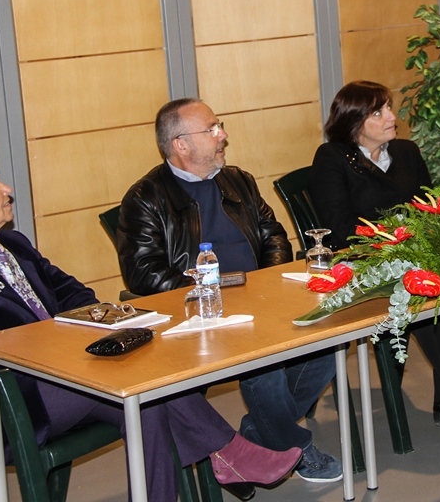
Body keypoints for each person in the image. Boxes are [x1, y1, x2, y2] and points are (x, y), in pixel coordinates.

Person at [0, 147, 302, 502]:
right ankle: (232, 454)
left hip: (66, 372)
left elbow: (75, 294)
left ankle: (227, 458)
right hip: (11, 394)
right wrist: (51, 343)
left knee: (147, 398)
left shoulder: (15, 245)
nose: (6, 189)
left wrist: (104, 322)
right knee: (140, 381)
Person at [116, 99, 342, 483]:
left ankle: (255, 437)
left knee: (326, 342)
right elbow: (143, 274)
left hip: (260, 299)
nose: (223, 136)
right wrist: (211, 292)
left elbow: (274, 238)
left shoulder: (239, 179)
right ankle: (296, 447)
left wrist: (268, 287)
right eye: (212, 129)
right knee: (265, 365)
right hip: (199, 312)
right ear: (181, 145)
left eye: (220, 126)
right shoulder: (145, 198)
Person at [308, 80, 440, 437]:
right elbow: (339, 229)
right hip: (366, 262)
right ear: (355, 123)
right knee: (424, 300)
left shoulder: (406, 151)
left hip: (418, 251)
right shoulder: (333, 159)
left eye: (389, 107)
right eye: (380, 111)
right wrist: (396, 238)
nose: (392, 116)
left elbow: (430, 208)